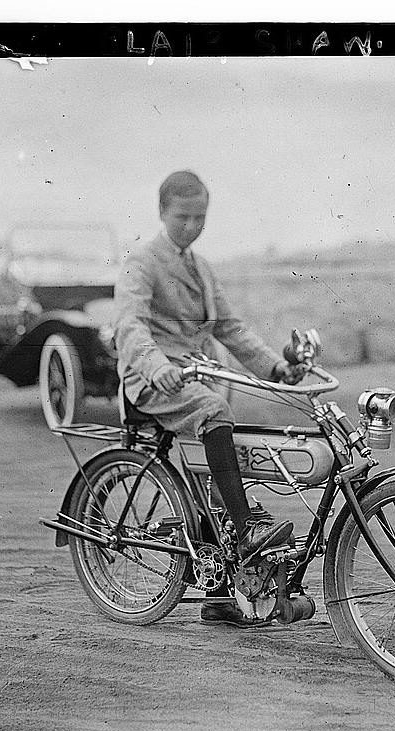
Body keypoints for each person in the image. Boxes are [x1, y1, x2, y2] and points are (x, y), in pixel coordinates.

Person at [113, 170, 306, 626]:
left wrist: (275, 368)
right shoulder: (141, 262)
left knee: (219, 467)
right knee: (216, 412)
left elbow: (230, 327)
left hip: (197, 376)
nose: (191, 226)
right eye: (182, 217)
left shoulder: (200, 266)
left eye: (200, 218)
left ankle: (219, 596)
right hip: (154, 382)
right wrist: (156, 366)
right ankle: (245, 531)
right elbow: (130, 325)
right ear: (162, 213)